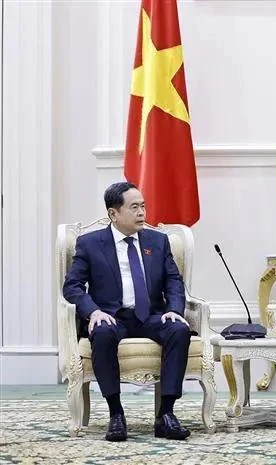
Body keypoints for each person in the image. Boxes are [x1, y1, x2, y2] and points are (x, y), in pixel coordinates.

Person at [63, 182, 192, 441]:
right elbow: (73, 286)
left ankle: (166, 414)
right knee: (101, 332)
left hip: (151, 315)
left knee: (179, 328)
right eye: (134, 207)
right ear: (113, 213)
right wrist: (93, 311)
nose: (142, 212)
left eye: (143, 206)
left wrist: (175, 309)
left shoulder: (158, 241)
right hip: (112, 316)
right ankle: (116, 414)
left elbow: (173, 281)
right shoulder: (90, 244)